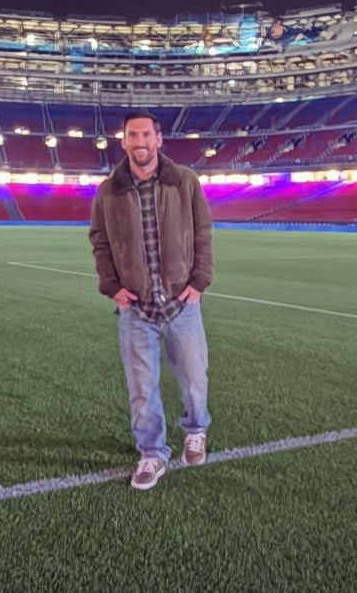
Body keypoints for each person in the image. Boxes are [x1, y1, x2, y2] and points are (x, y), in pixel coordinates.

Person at [89, 112, 213, 491]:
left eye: (146, 134)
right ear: (124, 140)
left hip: (181, 303)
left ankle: (195, 431)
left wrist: (200, 281)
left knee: (194, 378)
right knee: (142, 389)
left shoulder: (184, 181)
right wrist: (111, 286)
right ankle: (152, 454)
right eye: (133, 135)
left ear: (158, 138)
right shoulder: (109, 190)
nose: (140, 141)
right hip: (136, 308)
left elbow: (203, 231)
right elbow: (100, 240)